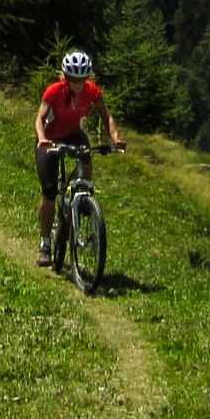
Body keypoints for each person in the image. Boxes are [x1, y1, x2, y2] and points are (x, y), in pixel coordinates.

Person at [34, 48, 124, 265]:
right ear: (66, 77)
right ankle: (45, 244)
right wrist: (42, 138)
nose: (78, 84)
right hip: (50, 139)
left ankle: (84, 196)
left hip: (74, 134)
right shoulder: (54, 91)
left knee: (86, 156)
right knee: (48, 193)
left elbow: (106, 115)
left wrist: (115, 137)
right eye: (74, 79)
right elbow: (39, 118)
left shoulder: (92, 91)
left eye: (82, 79)